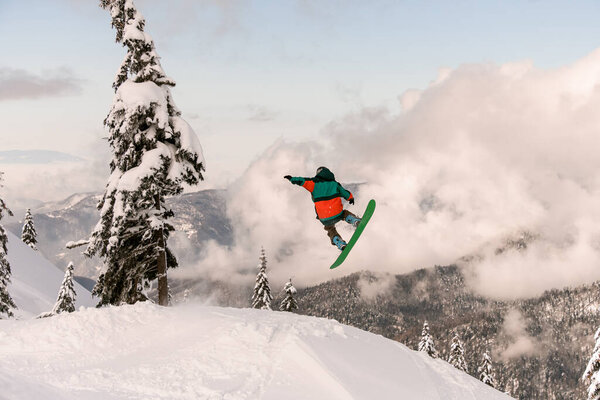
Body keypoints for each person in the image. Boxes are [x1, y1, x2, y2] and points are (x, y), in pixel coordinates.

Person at [284, 166, 361, 251]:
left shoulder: (313, 183)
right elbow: (344, 193)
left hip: (324, 217)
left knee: (330, 228)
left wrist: (291, 179)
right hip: (337, 213)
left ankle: (338, 242)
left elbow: (302, 181)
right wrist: (350, 198)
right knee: (344, 213)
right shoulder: (334, 184)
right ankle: (354, 220)